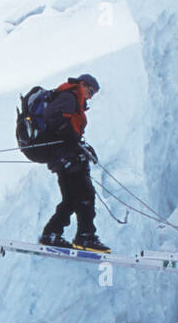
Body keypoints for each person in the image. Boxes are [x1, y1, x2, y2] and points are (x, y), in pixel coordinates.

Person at [15, 73, 110, 253]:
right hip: (64, 155)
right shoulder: (69, 96)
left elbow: (62, 126)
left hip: (61, 155)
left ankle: (53, 233)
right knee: (85, 193)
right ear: (82, 84)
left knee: (73, 196)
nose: (90, 96)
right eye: (90, 91)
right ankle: (85, 236)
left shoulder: (67, 96)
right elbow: (54, 118)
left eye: (93, 94)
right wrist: (74, 143)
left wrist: (79, 145)